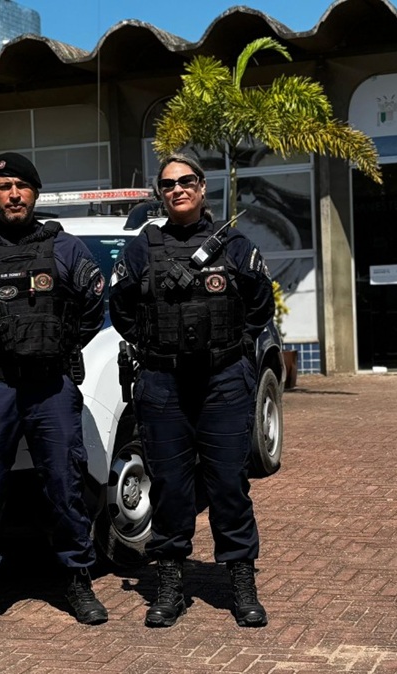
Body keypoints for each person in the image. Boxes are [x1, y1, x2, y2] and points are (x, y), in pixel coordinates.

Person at [0, 152, 108, 634]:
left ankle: (77, 579)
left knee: (65, 480)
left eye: (22, 186)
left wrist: (56, 344)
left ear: (36, 193)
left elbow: (94, 307)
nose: (13, 194)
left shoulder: (66, 249)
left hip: (49, 383)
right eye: (4, 185)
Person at [108, 153, 275, 628]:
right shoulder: (144, 245)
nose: (177, 189)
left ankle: (240, 584)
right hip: (163, 383)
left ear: (202, 188)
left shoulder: (236, 245)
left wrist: (235, 349)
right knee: (171, 489)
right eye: (167, 184)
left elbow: (261, 306)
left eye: (186, 181)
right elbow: (120, 308)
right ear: (161, 194)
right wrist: (152, 347)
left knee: (228, 485)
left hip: (223, 382)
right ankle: (170, 586)